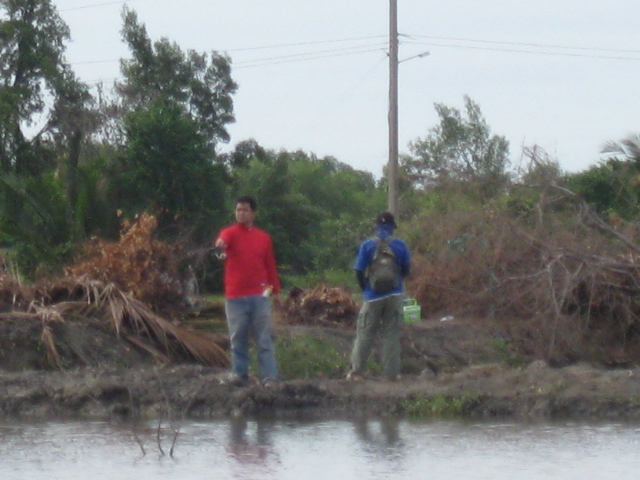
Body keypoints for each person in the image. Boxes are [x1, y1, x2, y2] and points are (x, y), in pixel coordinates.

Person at [215, 196, 281, 388]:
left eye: (244, 210)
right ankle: (239, 374)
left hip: (260, 296)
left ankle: (269, 376)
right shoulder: (230, 233)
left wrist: (275, 292)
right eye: (238, 210)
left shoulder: (263, 238)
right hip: (235, 296)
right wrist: (220, 243)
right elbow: (223, 240)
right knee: (238, 337)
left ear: (253, 213)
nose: (240, 213)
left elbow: (270, 266)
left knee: (263, 337)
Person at [347, 211, 411, 381]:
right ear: (392, 227)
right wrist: (397, 282)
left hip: (372, 296)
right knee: (391, 335)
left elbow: (359, 270)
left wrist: (365, 289)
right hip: (394, 295)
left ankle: (357, 373)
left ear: (377, 226)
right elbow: (406, 269)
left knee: (365, 334)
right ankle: (391, 374)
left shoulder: (367, 245)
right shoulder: (400, 245)